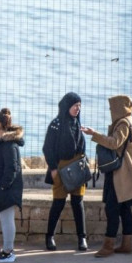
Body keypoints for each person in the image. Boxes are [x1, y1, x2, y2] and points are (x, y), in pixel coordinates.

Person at [81, 95, 132, 258]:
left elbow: (115, 143)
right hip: (125, 173)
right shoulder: (130, 121)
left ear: (118, 108)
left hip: (119, 174)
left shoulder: (123, 123)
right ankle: (127, 244)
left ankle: (108, 246)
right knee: (124, 209)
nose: (110, 111)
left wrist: (94, 134)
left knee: (112, 209)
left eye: (111, 108)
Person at [42, 92, 88, 251]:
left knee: (78, 202)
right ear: (67, 106)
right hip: (61, 168)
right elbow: (47, 148)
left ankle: (82, 238)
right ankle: (50, 237)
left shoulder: (77, 123)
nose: (78, 109)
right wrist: (53, 168)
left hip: (77, 167)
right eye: (75, 105)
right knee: (58, 203)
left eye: (79, 106)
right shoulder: (56, 124)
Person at [0, 108, 24, 263]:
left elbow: (12, 168)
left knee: (7, 219)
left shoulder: (9, 145)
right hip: (2, 188)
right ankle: (6, 250)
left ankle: (9, 252)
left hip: (7, 189)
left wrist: (2, 186)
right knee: (4, 219)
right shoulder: (2, 142)